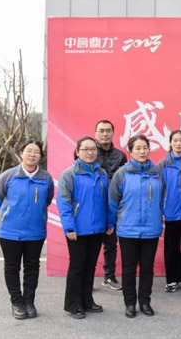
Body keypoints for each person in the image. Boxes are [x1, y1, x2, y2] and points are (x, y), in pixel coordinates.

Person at [0, 140, 55, 320]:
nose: (32, 155)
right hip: (9, 231)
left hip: (35, 231)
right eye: (29, 151)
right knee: (12, 267)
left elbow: (47, 199)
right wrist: (8, 213)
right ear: (21, 153)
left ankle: (29, 302)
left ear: (40, 156)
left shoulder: (46, 178)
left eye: (36, 152)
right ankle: (17, 302)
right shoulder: (8, 176)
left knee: (32, 267)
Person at [108, 135, 165, 318]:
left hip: (151, 229)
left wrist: (159, 216)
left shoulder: (157, 172)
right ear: (130, 151)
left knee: (147, 268)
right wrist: (111, 222)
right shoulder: (122, 173)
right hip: (128, 229)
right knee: (129, 268)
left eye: (145, 148)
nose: (142, 151)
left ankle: (145, 302)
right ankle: (130, 303)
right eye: (138, 148)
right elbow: (113, 200)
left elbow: (162, 197)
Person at [57, 136, 111, 319]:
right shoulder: (70, 174)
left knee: (90, 266)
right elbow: (64, 203)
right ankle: (73, 304)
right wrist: (69, 228)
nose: (90, 152)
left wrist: (109, 222)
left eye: (93, 149)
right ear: (77, 152)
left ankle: (87, 300)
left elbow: (107, 201)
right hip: (77, 230)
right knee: (77, 267)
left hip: (97, 229)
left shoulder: (101, 173)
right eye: (86, 149)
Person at [94, 119, 127, 291]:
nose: (105, 134)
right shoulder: (89, 152)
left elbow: (124, 181)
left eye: (108, 130)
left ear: (113, 133)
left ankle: (109, 276)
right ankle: (86, 279)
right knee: (89, 244)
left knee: (111, 243)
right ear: (95, 134)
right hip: (92, 205)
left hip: (113, 205)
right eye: (101, 131)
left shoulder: (120, 156)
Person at [158, 130, 181, 293]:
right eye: (175, 140)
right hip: (170, 212)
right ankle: (172, 279)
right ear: (170, 143)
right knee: (171, 248)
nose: (178, 143)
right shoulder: (162, 164)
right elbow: (159, 188)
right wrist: (160, 210)